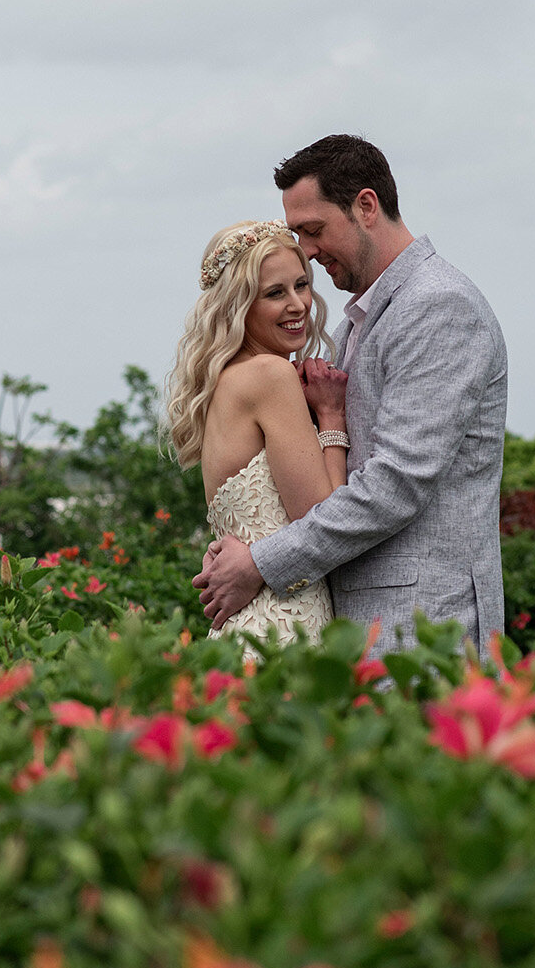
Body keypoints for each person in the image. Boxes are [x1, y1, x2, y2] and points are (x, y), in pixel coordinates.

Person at [192, 135, 510, 655]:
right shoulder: (356, 325)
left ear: (366, 206)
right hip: (349, 629)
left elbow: (397, 482)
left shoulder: (440, 307)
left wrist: (260, 561)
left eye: (313, 231)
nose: (309, 254)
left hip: (420, 627)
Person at [163, 219, 351, 650]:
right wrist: (332, 418)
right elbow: (323, 518)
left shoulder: (222, 384)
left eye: (301, 285)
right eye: (274, 293)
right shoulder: (270, 375)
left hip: (245, 627)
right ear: (238, 306)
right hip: (285, 626)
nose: (299, 305)